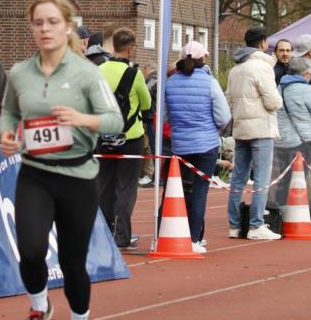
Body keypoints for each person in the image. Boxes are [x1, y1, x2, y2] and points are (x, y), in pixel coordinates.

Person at [0, 0, 122, 320]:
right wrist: (8, 135)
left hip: (78, 177)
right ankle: (39, 307)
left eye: (53, 22)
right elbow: (9, 112)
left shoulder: (87, 73)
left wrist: (82, 119)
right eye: (38, 23)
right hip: (35, 173)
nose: (45, 29)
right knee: (30, 250)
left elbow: (114, 121)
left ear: (68, 26)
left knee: (72, 262)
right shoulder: (19, 72)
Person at [165, 41, 230, 252]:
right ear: (204, 58)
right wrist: (214, 127)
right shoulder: (210, 82)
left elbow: (164, 115)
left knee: (178, 190)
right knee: (200, 192)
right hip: (206, 143)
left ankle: (170, 233)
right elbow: (224, 116)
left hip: (180, 144)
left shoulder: (170, 82)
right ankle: (194, 239)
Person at [226, 26, 282, 241]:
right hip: (261, 128)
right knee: (261, 178)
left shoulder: (235, 69)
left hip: (241, 128)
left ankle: (234, 224)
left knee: (238, 178)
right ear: (263, 43)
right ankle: (256, 224)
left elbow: (229, 99)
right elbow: (273, 101)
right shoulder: (262, 67)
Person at [97, 28, 152, 251]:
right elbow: (147, 103)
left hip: (104, 136)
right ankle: (122, 236)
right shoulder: (134, 74)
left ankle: (103, 233)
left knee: (104, 186)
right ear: (130, 49)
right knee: (125, 188)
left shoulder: (99, 70)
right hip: (130, 137)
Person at [274, 56, 311, 213]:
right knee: (299, 179)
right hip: (300, 140)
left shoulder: (280, 87)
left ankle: (281, 214)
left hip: (282, 139)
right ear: (305, 74)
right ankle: (296, 215)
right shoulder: (305, 89)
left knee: (284, 179)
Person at [138, 62, 158, 187]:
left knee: (152, 146)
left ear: (148, 68)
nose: (143, 72)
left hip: (150, 117)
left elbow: (144, 95)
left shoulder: (151, 80)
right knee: (151, 146)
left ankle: (154, 176)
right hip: (153, 117)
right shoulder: (158, 80)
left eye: (144, 69)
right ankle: (152, 174)